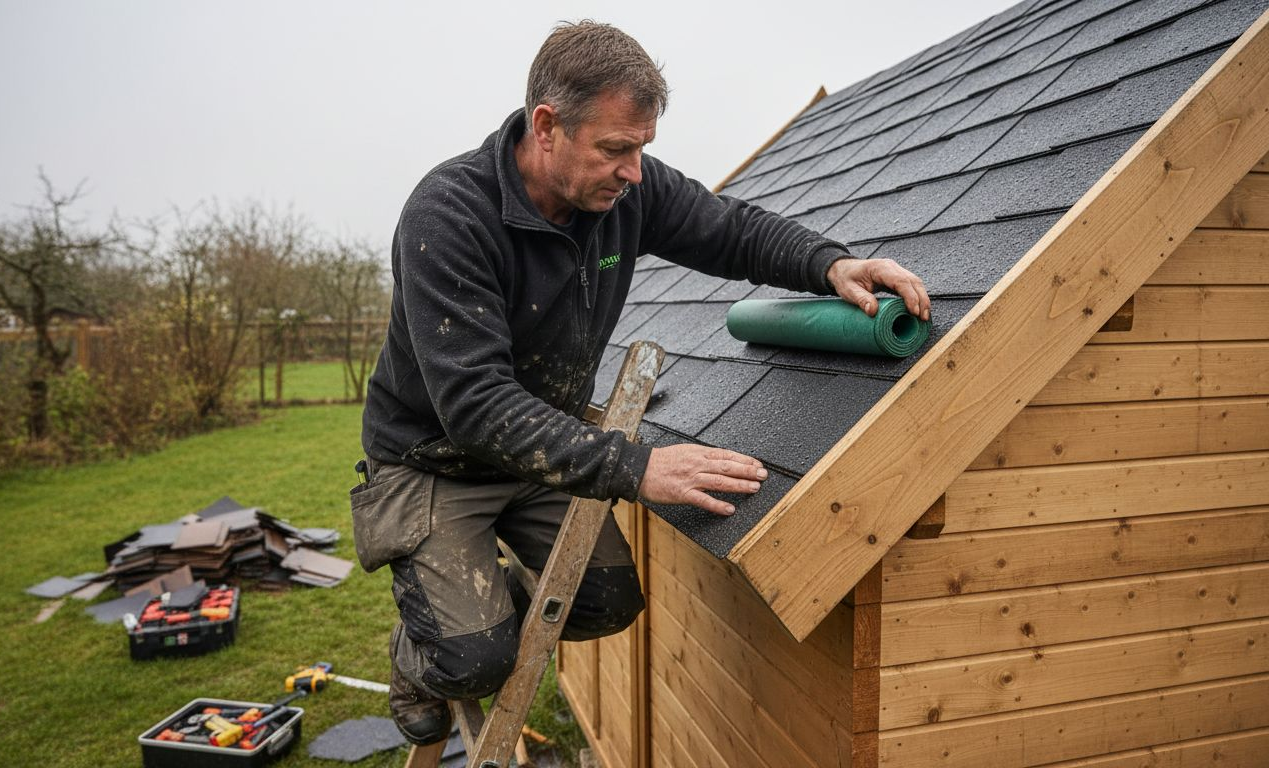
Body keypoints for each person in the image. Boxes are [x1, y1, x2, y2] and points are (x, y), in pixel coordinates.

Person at [354, 20, 931, 745]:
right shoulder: (448, 217)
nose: (633, 172)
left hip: (542, 450)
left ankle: (476, 603)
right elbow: (475, 405)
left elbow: (727, 229)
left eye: (642, 150)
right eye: (615, 150)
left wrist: (829, 264)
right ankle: (422, 654)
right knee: (474, 656)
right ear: (546, 125)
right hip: (432, 462)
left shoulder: (625, 192)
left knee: (605, 601)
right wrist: (636, 466)